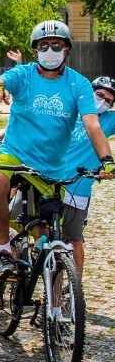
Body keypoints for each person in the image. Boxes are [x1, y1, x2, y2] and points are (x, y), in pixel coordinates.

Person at [0, 20, 115, 278]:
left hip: (53, 166)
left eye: (57, 45)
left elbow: (93, 126)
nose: (50, 50)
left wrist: (107, 159)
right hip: (16, 153)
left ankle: (54, 296)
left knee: (52, 231)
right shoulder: (24, 75)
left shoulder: (79, 85)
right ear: (35, 51)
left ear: (67, 50)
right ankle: (3, 250)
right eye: (44, 46)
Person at [59, 76, 115, 277]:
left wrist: (108, 166)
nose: (102, 101)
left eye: (108, 100)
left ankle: (76, 289)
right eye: (99, 95)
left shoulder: (109, 119)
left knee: (74, 239)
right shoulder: (70, 110)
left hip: (78, 188)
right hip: (49, 181)